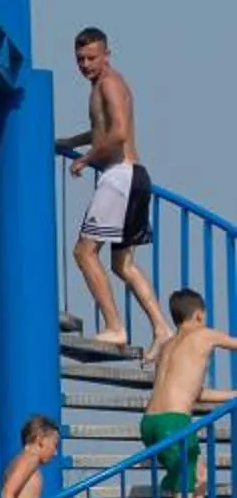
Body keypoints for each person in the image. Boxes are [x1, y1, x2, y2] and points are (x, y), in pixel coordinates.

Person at [69, 28, 163, 350]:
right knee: (122, 265)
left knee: (84, 252)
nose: (85, 64)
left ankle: (114, 327)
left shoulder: (109, 83)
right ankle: (162, 328)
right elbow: (102, 129)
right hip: (133, 175)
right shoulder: (104, 84)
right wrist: (69, 142)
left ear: (107, 54)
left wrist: (86, 158)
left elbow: (119, 133)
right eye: (80, 59)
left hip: (120, 176)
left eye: (91, 58)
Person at [141, 291, 237, 498]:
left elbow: (193, 395)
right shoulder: (203, 334)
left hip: (152, 423)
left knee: (198, 481)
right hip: (175, 424)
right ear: (198, 315)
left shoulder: (169, 346)